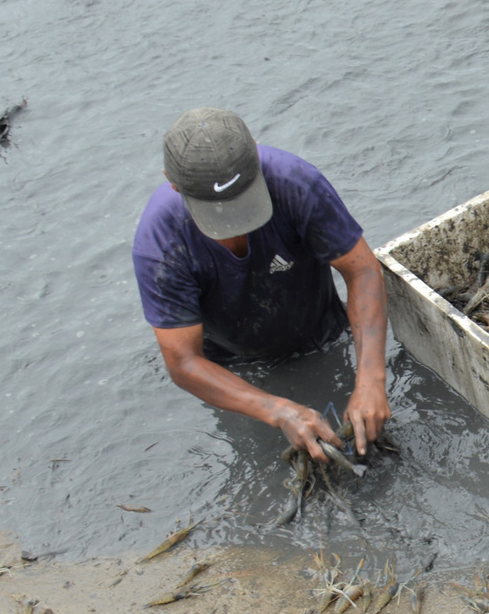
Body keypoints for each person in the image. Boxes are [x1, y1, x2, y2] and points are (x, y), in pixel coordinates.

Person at [132, 108, 390, 460]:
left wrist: (372, 380)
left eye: (244, 205)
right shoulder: (161, 244)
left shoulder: (297, 184)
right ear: (172, 184)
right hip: (233, 363)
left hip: (321, 331)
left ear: (256, 151)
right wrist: (277, 410)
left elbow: (361, 270)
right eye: (219, 214)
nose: (237, 226)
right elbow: (183, 361)